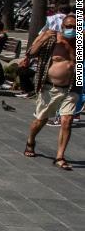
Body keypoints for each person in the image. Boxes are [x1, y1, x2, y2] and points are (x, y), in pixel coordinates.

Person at [22, 14, 77, 170]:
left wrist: (68, 47)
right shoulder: (52, 41)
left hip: (71, 88)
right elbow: (31, 53)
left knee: (67, 121)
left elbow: (77, 62)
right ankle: (31, 140)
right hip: (50, 88)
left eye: (74, 26)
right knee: (41, 120)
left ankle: (60, 156)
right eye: (68, 26)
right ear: (62, 26)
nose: (71, 29)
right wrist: (42, 38)